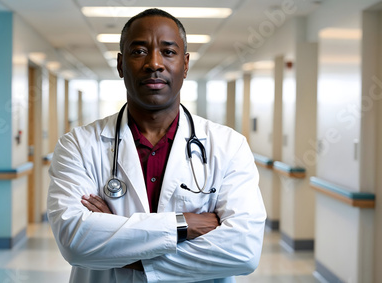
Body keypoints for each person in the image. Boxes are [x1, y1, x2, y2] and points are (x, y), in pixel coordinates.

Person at [47, 8, 266, 283]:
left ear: (185, 65)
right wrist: (185, 224)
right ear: (120, 64)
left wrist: (121, 247)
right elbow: (75, 242)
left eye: (168, 51)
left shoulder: (228, 146)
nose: (154, 63)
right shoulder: (77, 146)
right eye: (139, 51)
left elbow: (242, 251)